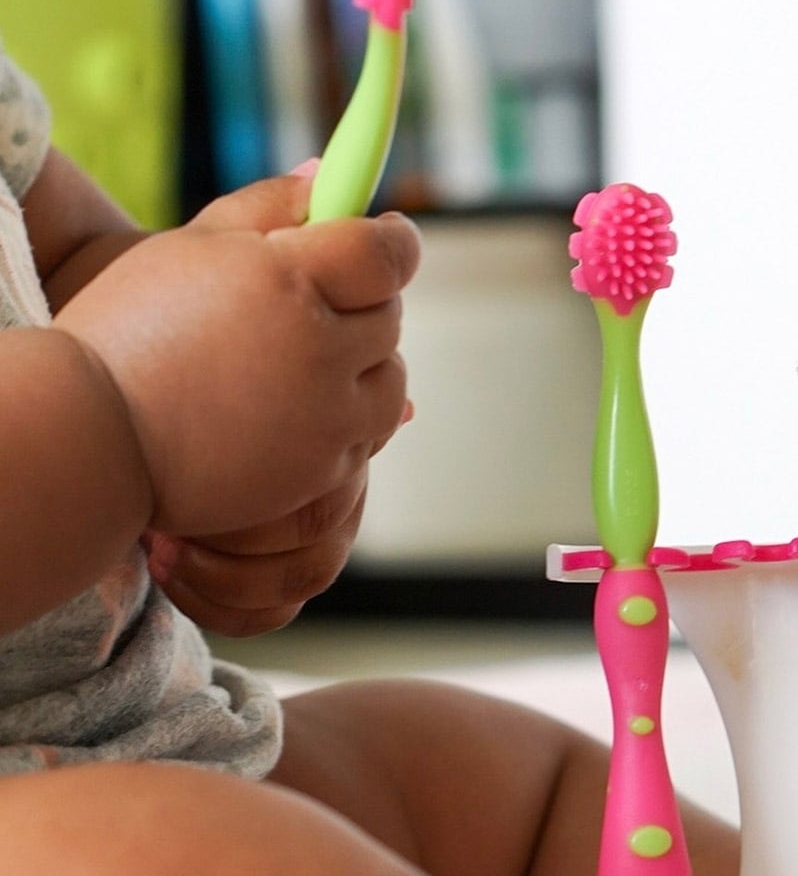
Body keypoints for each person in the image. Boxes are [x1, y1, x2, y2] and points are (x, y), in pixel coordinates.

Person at [0, 44, 740, 874]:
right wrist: (122, 413)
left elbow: (69, 263)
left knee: (492, 777)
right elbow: (111, 387)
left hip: (161, 733)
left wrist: (231, 383)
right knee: (181, 846)